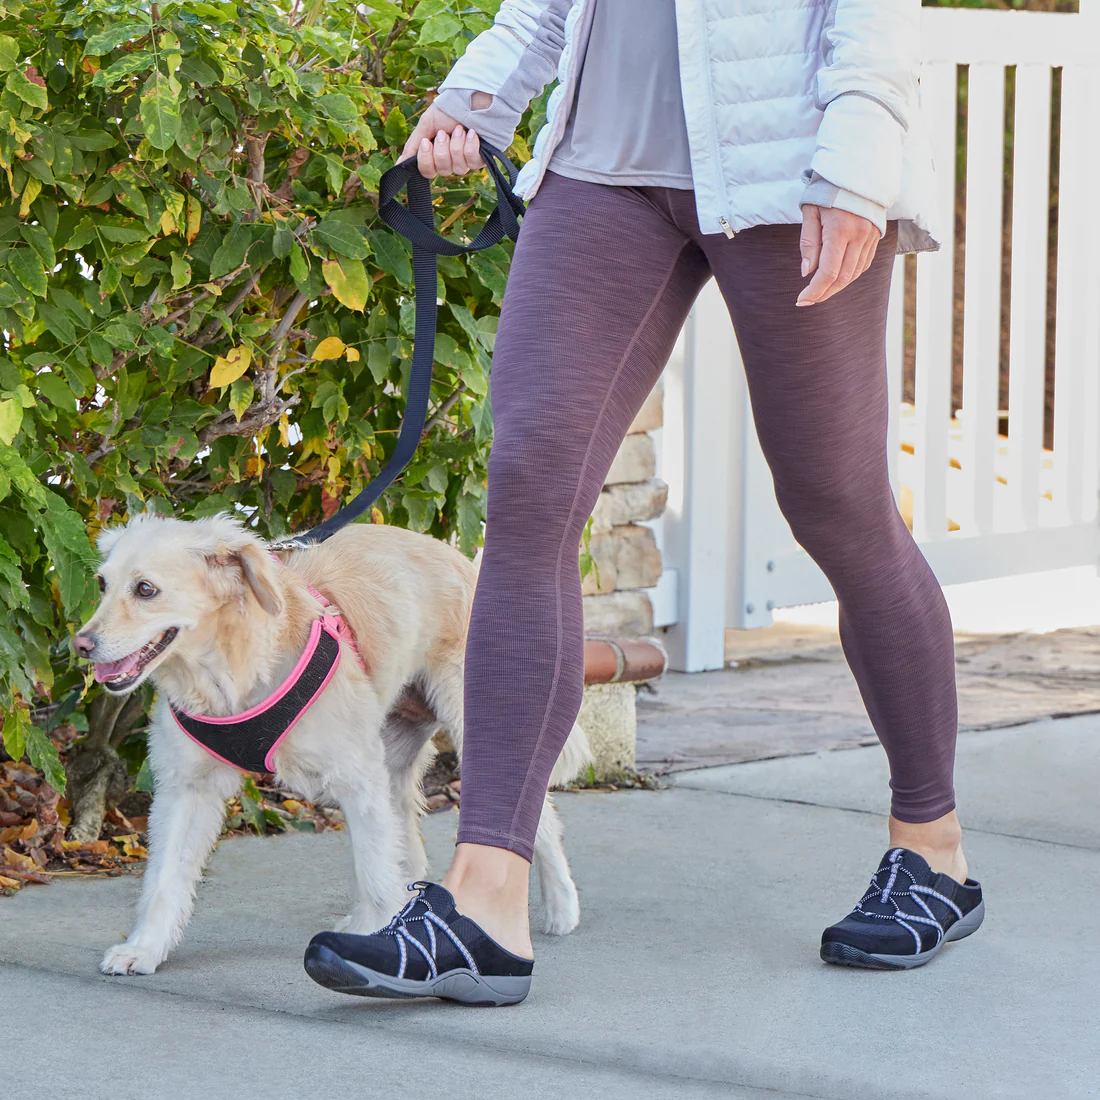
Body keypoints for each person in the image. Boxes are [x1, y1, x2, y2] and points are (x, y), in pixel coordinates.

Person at [303, 0, 985, 1004]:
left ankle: (931, 851)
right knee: (529, 482)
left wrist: (853, 166)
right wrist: (472, 99)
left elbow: (869, 17)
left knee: (832, 502)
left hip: (784, 171)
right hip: (601, 173)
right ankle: (483, 898)